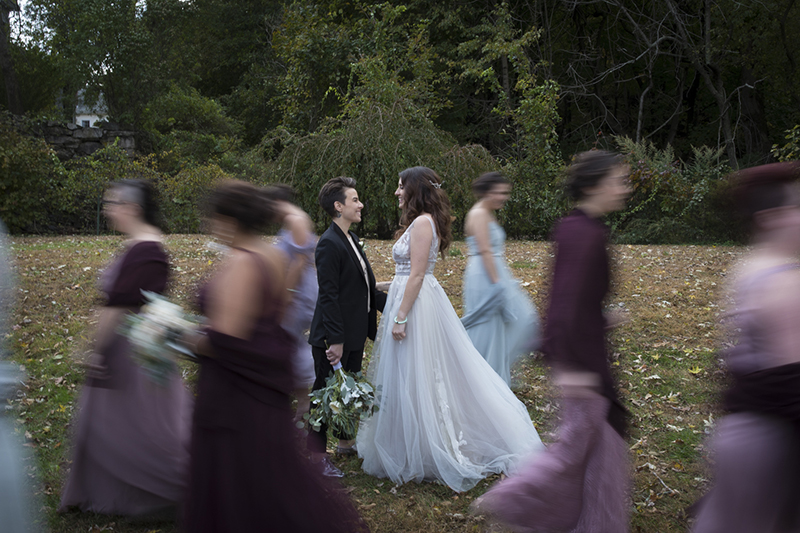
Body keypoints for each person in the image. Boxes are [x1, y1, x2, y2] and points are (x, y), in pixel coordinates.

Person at [181, 181, 368, 532]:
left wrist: (177, 335)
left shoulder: (241, 262)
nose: (211, 227)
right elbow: (276, 315)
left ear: (227, 220)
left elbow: (226, 339)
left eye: (213, 219)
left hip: (235, 389)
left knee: (243, 477)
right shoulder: (271, 256)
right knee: (272, 470)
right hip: (264, 384)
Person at [356, 166, 543, 493]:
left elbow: (416, 276)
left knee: (420, 372)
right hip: (411, 297)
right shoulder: (419, 223)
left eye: (401, 187)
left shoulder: (423, 222)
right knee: (406, 373)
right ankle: (409, 439)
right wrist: (374, 284)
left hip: (416, 307)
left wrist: (400, 317)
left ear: (414, 190)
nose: (397, 193)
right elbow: (406, 274)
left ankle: (430, 445)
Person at [472, 150, 632, 531]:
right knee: (575, 451)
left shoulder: (575, 227)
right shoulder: (586, 235)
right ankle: (513, 501)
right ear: (595, 184)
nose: (625, 188)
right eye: (618, 180)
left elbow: (571, 299)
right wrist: (567, 362)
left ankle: (594, 521)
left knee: (604, 449)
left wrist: (602, 319)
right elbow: (564, 303)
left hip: (584, 355)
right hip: (582, 365)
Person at [60, 180, 192, 517]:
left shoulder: (144, 249)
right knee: (119, 424)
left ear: (132, 208)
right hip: (135, 348)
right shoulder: (143, 244)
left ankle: (181, 488)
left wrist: (95, 349)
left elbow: (118, 307)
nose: (107, 209)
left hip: (127, 354)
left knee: (133, 429)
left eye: (112, 203)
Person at [691, 162, 800, 533]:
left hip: (736, 434)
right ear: (771, 218)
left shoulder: (748, 268)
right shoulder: (784, 282)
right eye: (796, 209)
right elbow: (792, 388)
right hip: (770, 445)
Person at [308, 176, 386, 476]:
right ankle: (316, 457)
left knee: (346, 392)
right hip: (333, 337)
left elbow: (365, 287)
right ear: (338, 206)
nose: (361, 204)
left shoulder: (351, 239)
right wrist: (335, 340)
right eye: (355, 199)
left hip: (354, 333)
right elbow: (328, 296)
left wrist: (397, 307)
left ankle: (344, 444)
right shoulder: (328, 244)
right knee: (323, 395)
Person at [462, 171, 540, 385]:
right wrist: (497, 284)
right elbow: (485, 251)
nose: (503, 197)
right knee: (488, 325)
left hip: (495, 271)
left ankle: (498, 368)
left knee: (521, 318)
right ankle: (480, 376)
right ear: (488, 192)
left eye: (505, 193)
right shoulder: (478, 213)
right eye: (500, 192)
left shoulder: (488, 212)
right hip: (485, 275)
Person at [266, 184, 318, 421]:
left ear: (276, 201)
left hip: (300, 291)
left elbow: (299, 262)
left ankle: (304, 400)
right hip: (296, 289)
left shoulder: (297, 219)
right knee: (293, 341)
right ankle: (301, 399)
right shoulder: (292, 220)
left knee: (293, 339)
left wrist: (286, 294)